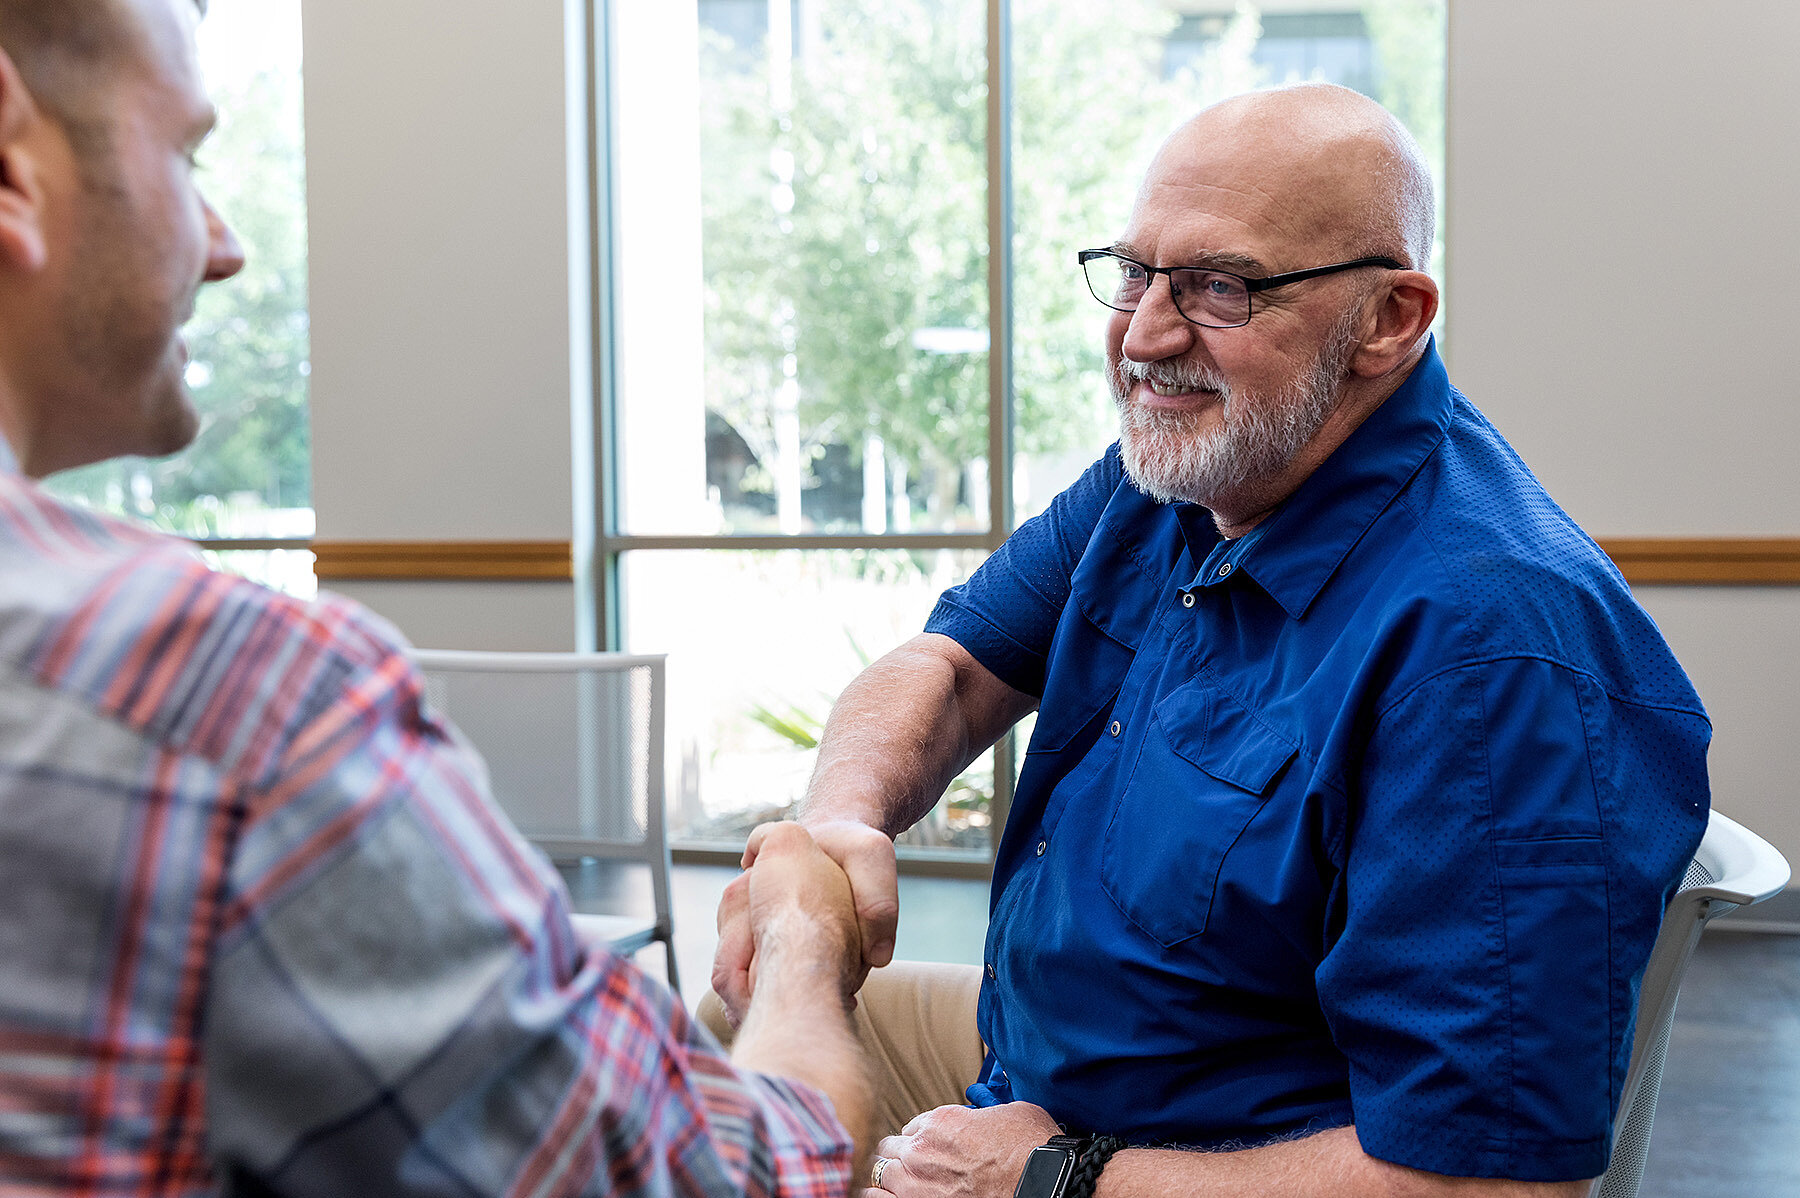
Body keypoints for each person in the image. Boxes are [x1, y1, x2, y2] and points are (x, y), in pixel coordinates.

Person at [710, 84, 1711, 1197]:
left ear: (1390, 319)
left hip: (1159, 1161)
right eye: (1134, 272)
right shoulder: (1185, 475)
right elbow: (947, 673)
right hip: (1031, 1070)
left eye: (1219, 286)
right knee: (709, 1028)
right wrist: (842, 820)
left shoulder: (1492, 658)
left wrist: (1056, 1176)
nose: (1142, 335)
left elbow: (1483, 1186)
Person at [0, 0, 871, 1192]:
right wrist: (804, 945)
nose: (222, 242)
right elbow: (736, 1176)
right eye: (187, 155)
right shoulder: (218, 704)